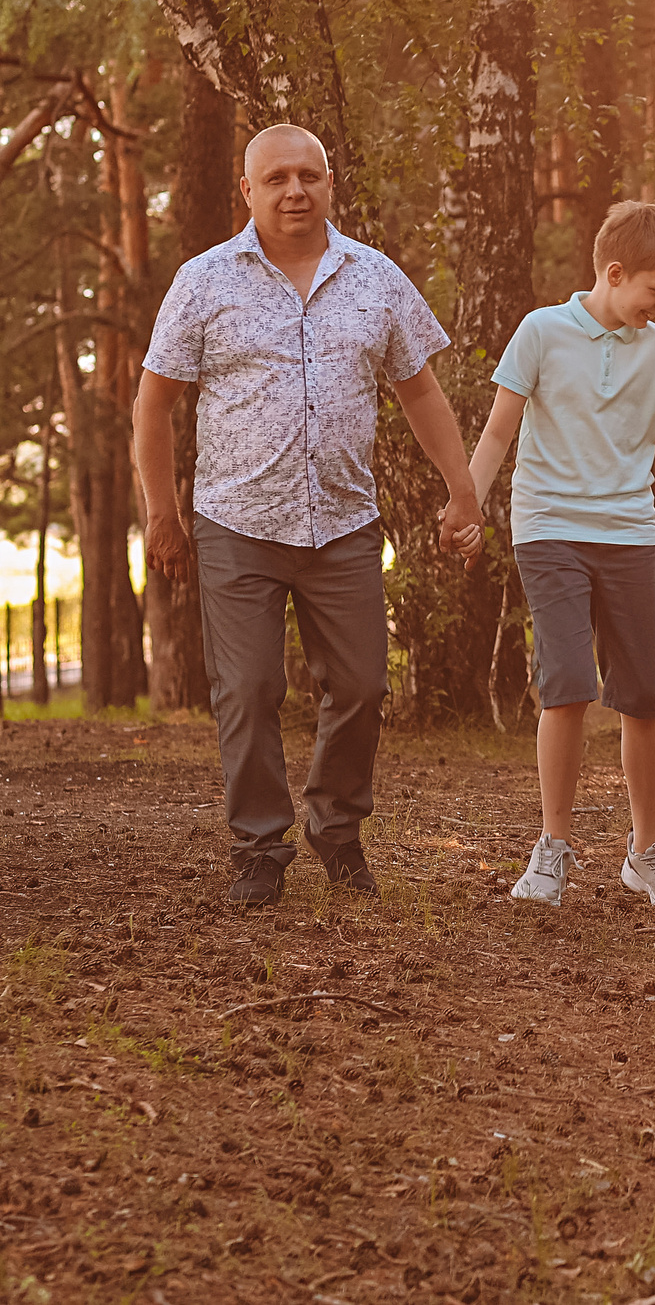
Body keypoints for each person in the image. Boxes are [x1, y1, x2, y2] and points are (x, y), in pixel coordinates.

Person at [134, 124, 484, 908]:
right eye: (277, 178)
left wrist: (462, 488)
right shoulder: (203, 281)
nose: (295, 190)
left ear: (330, 183)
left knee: (361, 684)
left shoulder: (376, 278)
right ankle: (259, 847)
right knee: (249, 687)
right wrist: (161, 513)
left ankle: (336, 827)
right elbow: (153, 403)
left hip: (343, 522)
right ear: (247, 191)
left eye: (309, 175)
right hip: (237, 522)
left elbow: (421, 391)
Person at [455, 202, 655, 911]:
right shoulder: (541, 331)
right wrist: (467, 504)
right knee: (567, 683)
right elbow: (498, 432)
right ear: (615, 272)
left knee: (644, 695)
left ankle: (646, 852)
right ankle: (552, 846)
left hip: (631, 534)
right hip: (549, 529)